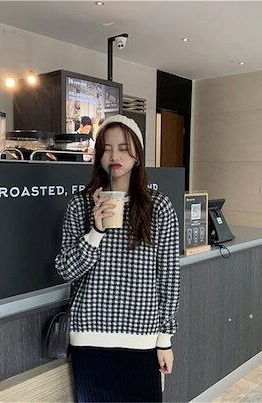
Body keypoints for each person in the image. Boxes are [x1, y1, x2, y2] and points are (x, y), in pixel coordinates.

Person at [55, 114, 180, 402]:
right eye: (107, 149)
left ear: (138, 155)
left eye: (124, 148)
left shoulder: (158, 207)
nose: (114, 156)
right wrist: (95, 231)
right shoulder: (80, 205)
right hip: (89, 336)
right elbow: (65, 270)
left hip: (142, 337)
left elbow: (169, 278)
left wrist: (164, 340)